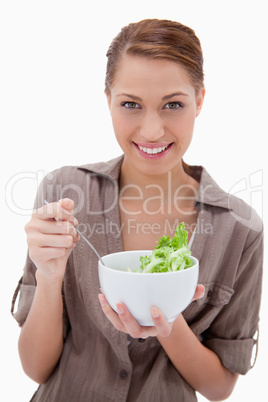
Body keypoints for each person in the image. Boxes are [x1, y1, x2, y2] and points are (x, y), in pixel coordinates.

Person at [11, 19, 263, 402]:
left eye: (173, 105)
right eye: (130, 104)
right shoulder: (65, 194)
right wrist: (48, 276)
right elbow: (36, 368)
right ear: (108, 99)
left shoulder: (240, 229)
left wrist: (166, 321)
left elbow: (219, 387)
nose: (151, 130)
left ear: (200, 100)